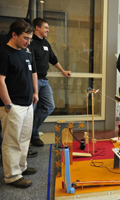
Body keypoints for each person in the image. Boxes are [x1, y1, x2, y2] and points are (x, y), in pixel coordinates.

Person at [0, 19, 38, 188]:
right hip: (12, 106)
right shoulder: (4, 53)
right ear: (14, 34)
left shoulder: (25, 52)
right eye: (25, 38)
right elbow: (0, 81)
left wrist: (34, 93)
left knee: (24, 139)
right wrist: (8, 104)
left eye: (30, 39)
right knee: (12, 141)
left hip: (27, 103)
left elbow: (29, 75)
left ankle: (21, 167)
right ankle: (12, 175)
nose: (28, 42)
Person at [30, 18, 71, 147]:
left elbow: (53, 59)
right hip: (32, 81)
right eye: (46, 27)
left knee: (49, 106)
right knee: (31, 110)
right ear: (37, 28)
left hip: (44, 81)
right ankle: (33, 136)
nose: (48, 30)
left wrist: (63, 71)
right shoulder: (30, 43)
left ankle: (31, 131)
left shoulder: (46, 44)